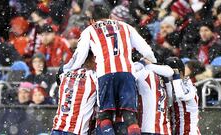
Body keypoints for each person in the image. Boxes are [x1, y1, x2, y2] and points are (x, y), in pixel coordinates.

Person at [63, 5, 157, 135]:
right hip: (127, 73)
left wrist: (68, 69)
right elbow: (146, 50)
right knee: (129, 115)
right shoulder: (126, 26)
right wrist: (153, 60)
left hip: (105, 74)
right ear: (110, 16)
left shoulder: (89, 30)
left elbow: (79, 56)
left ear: (92, 20)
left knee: (105, 115)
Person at [51, 51, 97, 135]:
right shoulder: (95, 77)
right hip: (76, 131)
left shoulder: (63, 74)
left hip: (57, 128)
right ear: (90, 59)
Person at [134, 57, 174, 135]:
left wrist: (141, 64)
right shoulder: (163, 74)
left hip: (147, 128)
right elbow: (170, 71)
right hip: (164, 129)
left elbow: (128, 72)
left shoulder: (144, 73)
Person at [164, 57, 200, 135]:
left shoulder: (189, 87)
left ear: (180, 73)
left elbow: (179, 95)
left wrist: (175, 77)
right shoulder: (170, 87)